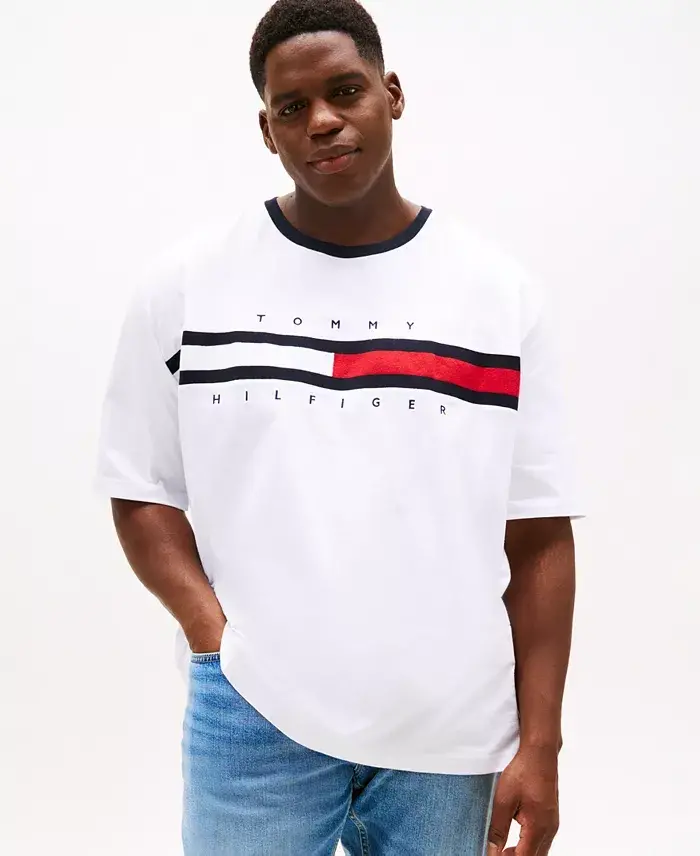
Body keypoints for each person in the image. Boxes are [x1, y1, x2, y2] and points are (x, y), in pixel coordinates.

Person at [93, 1, 583, 853]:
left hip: (448, 736)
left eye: (345, 91)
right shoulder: (185, 288)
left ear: (392, 94)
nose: (321, 120)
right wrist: (216, 645)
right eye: (292, 106)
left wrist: (540, 745)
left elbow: (539, 536)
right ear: (267, 129)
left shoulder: (497, 296)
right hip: (254, 719)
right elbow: (139, 489)